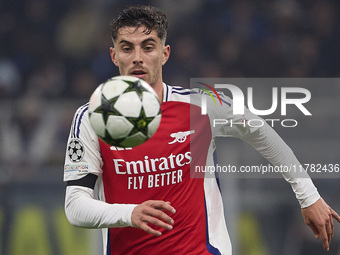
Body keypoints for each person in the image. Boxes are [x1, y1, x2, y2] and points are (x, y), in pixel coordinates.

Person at [63, 5, 340, 255]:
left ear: (164, 53)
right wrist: (130, 213)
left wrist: (308, 195)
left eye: (148, 47)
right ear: (113, 55)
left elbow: (262, 132)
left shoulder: (200, 105)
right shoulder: (91, 119)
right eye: (127, 48)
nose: (137, 58)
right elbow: (75, 206)